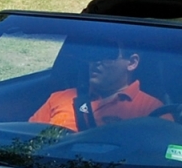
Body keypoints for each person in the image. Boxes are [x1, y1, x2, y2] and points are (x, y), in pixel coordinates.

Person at [29, 42, 163, 132]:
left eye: (108, 55)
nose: (96, 62)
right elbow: (25, 141)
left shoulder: (152, 109)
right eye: (94, 55)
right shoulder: (59, 98)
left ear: (132, 63)